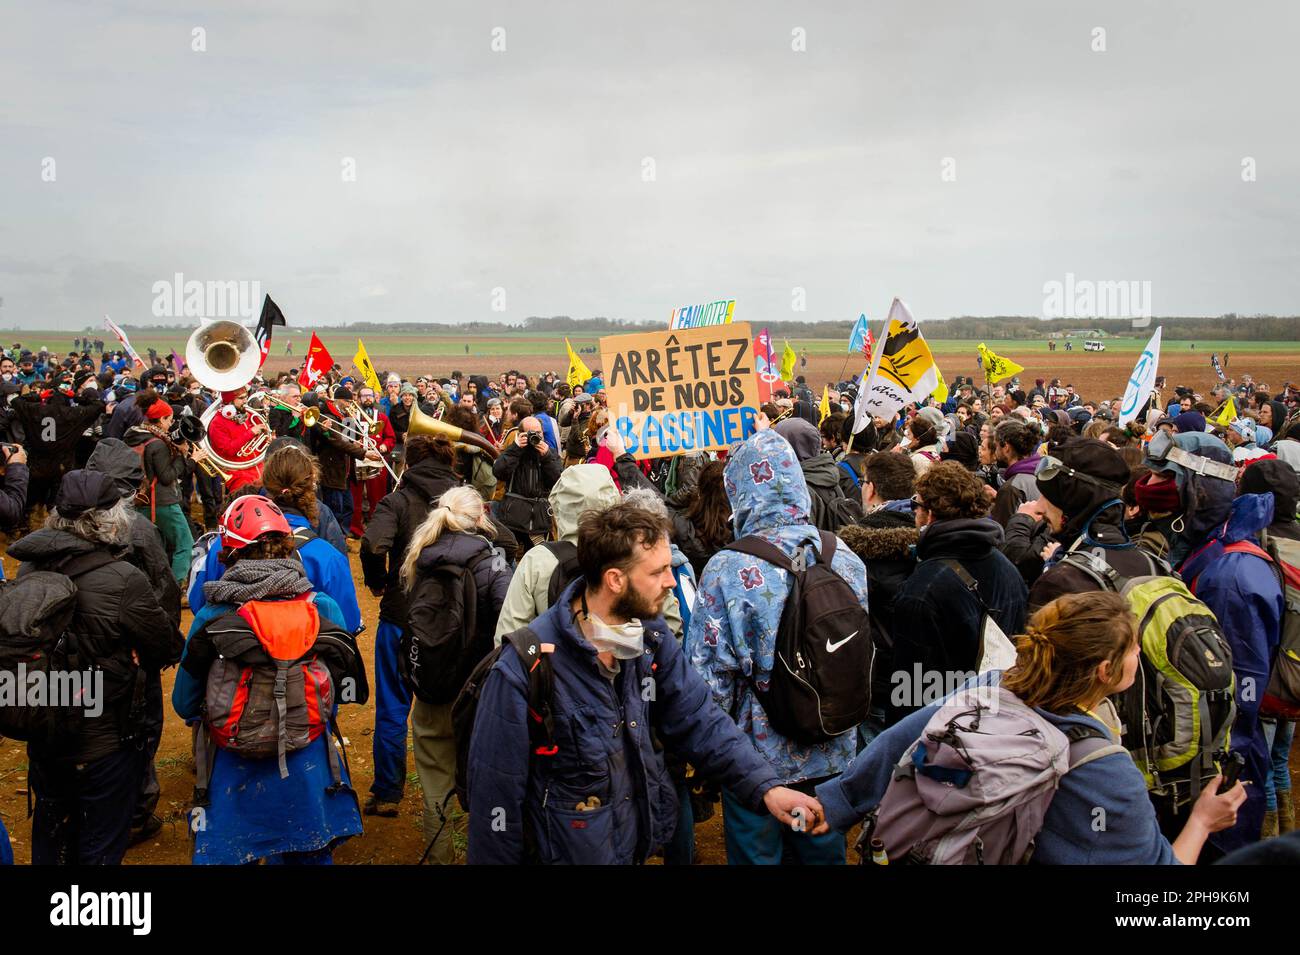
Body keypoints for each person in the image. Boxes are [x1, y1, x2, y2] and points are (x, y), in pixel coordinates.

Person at [467, 502, 823, 864]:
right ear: (615, 580)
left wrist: (767, 787)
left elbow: (700, 720)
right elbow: (495, 801)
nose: (671, 581)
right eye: (659, 571)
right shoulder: (526, 668)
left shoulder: (649, 639)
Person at [815, 593, 1247, 864]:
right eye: (1133, 647)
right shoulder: (1105, 770)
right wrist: (1202, 824)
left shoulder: (989, 686)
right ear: (1104, 670)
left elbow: (903, 739)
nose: (1139, 652)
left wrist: (835, 803)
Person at [686, 428, 870, 864]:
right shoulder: (844, 555)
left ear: (740, 491)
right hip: (832, 740)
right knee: (819, 846)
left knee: (759, 855)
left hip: (758, 760)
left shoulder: (727, 568)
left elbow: (708, 678)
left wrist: (712, 756)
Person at [172, 495, 366, 864]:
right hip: (307, 768)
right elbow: (335, 695)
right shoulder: (321, 606)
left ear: (228, 554)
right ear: (286, 546)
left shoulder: (212, 616)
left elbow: (184, 703)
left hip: (233, 775)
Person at [11, 471, 182, 865]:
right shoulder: (123, 578)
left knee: (52, 841)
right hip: (105, 742)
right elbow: (169, 644)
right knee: (100, 846)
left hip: (45, 734)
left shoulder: (28, 570)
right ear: (109, 518)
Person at [400, 487, 512, 863]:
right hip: (478, 692)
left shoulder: (420, 556)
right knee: (487, 781)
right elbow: (509, 623)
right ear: (480, 518)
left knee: (434, 782)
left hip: (431, 686)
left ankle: (441, 857)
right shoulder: (491, 563)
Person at [359, 434, 462, 817]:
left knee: (392, 705)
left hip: (401, 617)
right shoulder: (461, 500)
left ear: (409, 464)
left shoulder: (398, 500)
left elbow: (372, 544)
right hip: (451, 620)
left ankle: (387, 793)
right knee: (454, 704)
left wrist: (378, 581)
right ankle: (458, 790)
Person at [888, 461, 1027, 725]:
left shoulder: (924, 589)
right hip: (999, 718)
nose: (913, 513)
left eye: (915, 505)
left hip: (944, 733)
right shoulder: (1006, 566)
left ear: (929, 515)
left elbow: (910, 692)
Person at [494, 462, 621, 639]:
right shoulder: (632, 555)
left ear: (558, 507)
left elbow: (509, 634)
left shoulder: (537, 560)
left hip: (553, 661)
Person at [124, 389, 194, 584]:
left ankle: (156, 583)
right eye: (169, 419)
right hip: (162, 501)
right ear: (161, 419)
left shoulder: (134, 435)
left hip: (141, 498)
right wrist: (186, 458)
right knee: (185, 543)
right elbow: (167, 476)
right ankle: (176, 585)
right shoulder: (158, 444)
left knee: (158, 546)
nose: (171, 424)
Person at [492, 414, 562, 560]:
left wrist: (547, 457)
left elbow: (558, 481)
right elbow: (499, 472)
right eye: (531, 433)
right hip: (512, 518)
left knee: (538, 561)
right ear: (521, 434)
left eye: (539, 433)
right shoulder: (514, 451)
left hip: (539, 520)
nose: (535, 437)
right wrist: (516, 448)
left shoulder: (548, 452)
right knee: (503, 559)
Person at [348, 386, 396, 537]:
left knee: (377, 497)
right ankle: (356, 530)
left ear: (375, 397)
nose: (367, 398)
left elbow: (391, 437)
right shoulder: (351, 416)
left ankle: (376, 528)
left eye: (370, 395)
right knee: (355, 498)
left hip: (376, 460)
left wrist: (383, 447)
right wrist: (353, 445)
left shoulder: (382, 417)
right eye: (364, 396)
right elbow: (344, 439)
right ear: (359, 399)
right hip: (357, 460)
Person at [988, 419, 1043, 526]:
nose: (995, 451)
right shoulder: (1043, 472)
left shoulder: (1012, 488)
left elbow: (1001, 532)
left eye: (996, 446)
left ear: (1006, 448)